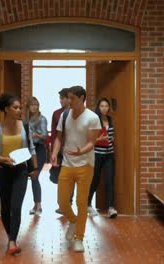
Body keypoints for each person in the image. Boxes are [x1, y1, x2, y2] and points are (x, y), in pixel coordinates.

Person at [51, 85, 101, 252]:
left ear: (81, 98)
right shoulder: (64, 115)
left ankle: (79, 238)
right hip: (67, 164)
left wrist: (81, 151)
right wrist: (54, 152)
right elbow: (58, 138)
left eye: (72, 98)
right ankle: (73, 220)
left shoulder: (92, 118)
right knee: (62, 201)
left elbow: (92, 142)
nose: (69, 101)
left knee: (81, 202)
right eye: (68, 98)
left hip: (85, 165)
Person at [0, 93, 38, 256]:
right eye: (15, 108)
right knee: (5, 208)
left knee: (16, 206)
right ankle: (11, 236)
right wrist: (4, 159)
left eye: (19, 108)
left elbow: (31, 148)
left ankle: (12, 241)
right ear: (6, 109)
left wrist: (34, 168)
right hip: (3, 171)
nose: (19, 110)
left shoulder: (25, 126)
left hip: (20, 171)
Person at [87, 98, 118, 218]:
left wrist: (111, 138)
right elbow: (89, 140)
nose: (104, 108)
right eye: (102, 106)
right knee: (95, 179)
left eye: (106, 106)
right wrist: (101, 139)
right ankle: (88, 204)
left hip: (109, 154)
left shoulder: (110, 119)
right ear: (98, 108)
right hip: (97, 154)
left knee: (110, 180)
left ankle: (111, 207)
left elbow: (110, 135)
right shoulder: (95, 121)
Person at [50, 88, 74, 215]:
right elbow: (54, 134)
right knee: (60, 177)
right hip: (59, 150)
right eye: (60, 98)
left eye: (62, 98)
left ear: (69, 99)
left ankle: (68, 203)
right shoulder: (56, 114)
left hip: (72, 150)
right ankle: (62, 204)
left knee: (70, 177)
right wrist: (52, 152)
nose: (61, 101)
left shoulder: (76, 113)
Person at [25, 96, 48, 215]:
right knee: (32, 177)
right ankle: (36, 205)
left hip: (39, 149)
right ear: (28, 107)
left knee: (35, 176)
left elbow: (44, 136)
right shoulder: (26, 120)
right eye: (32, 105)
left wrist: (35, 135)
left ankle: (38, 206)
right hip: (28, 150)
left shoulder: (42, 119)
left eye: (36, 105)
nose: (34, 107)